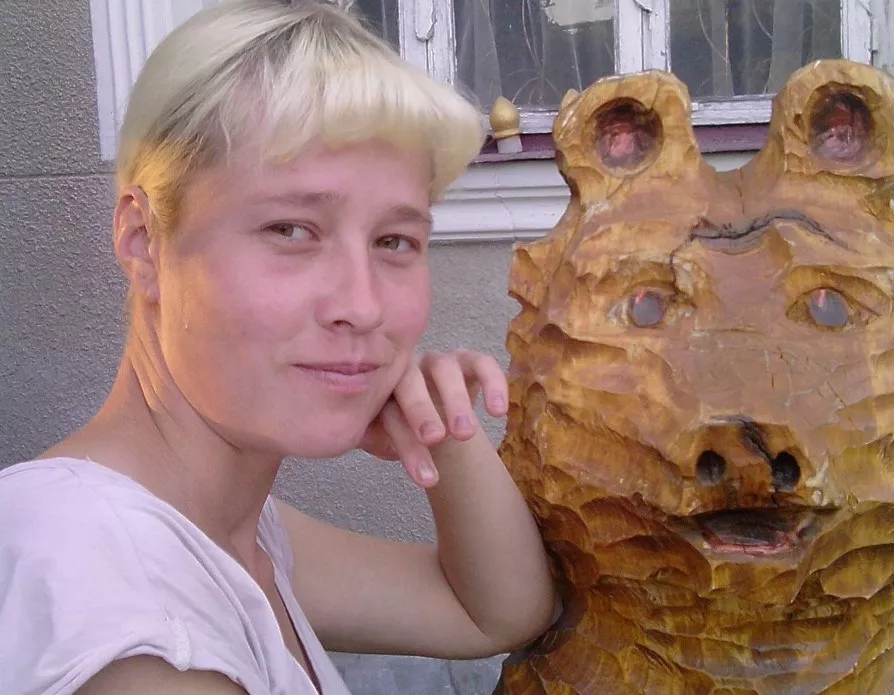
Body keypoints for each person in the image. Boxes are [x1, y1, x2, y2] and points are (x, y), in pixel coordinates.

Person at [0, 1, 559, 693]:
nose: (362, 306)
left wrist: (445, 432)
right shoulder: (111, 603)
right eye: (291, 230)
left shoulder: (230, 527)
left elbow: (494, 613)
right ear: (144, 241)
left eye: (394, 240)